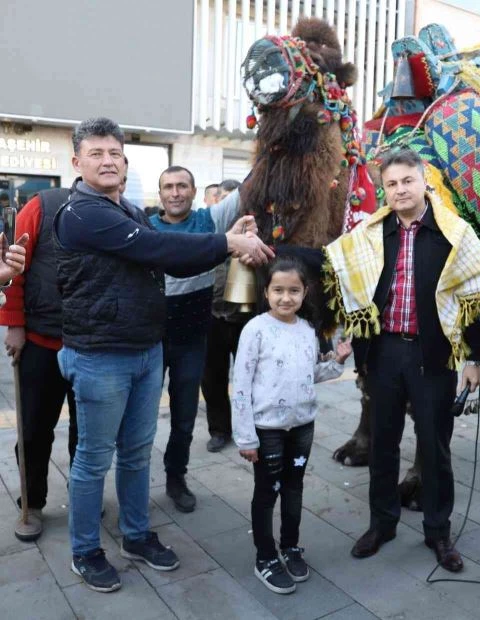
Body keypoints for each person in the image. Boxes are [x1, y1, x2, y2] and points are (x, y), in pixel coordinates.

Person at [53, 117, 272, 593]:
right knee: (93, 459)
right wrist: (229, 243)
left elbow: (173, 247)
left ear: (125, 162)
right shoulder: (82, 213)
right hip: (100, 355)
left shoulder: (128, 210)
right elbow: (158, 248)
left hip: (145, 351)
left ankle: (135, 535)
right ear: (77, 163)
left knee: (134, 454)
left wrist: (226, 235)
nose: (108, 161)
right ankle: (85, 550)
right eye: (96, 153)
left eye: (115, 153)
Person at [325, 147, 480, 571]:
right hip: (382, 354)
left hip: (433, 356)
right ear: (383, 189)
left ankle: (438, 533)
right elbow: (345, 275)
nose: (400, 190)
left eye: (407, 181)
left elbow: (476, 296)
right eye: (391, 184)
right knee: (382, 443)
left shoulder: (452, 233)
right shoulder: (371, 233)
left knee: (435, 447)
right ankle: (382, 524)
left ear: (424, 182)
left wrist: (474, 358)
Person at [233, 256, 351, 594]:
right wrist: (246, 437)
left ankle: (290, 546)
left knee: (294, 488)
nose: (286, 298)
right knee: (267, 492)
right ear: (266, 291)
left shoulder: (307, 329)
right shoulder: (254, 330)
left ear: (305, 292)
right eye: (278, 290)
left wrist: (337, 362)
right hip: (267, 429)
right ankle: (265, 557)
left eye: (294, 291)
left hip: (302, 427)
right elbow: (240, 386)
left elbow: (311, 373)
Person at [149, 165, 245, 513]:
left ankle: (177, 478)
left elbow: (250, 186)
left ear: (194, 191)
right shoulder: (146, 227)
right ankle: (133, 485)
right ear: (160, 194)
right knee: (141, 420)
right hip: (150, 341)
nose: (175, 193)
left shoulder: (210, 221)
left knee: (185, 417)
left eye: (182, 186)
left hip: (193, 340)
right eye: (168, 187)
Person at [0, 185, 79, 543]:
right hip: (40, 342)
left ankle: (84, 497)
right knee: (32, 432)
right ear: (80, 163)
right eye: (97, 154)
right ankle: (32, 502)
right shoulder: (43, 206)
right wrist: (14, 323)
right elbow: (13, 267)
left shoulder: (121, 212)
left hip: (94, 347)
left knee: (90, 435)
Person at [202, 178, 246, 452]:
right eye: (223, 198)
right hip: (211, 318)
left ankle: (248, 429)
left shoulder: (254, 232)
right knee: (212, 380)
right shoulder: (207, 232)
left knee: (248, 380)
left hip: (245, 319)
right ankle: (219, 430)